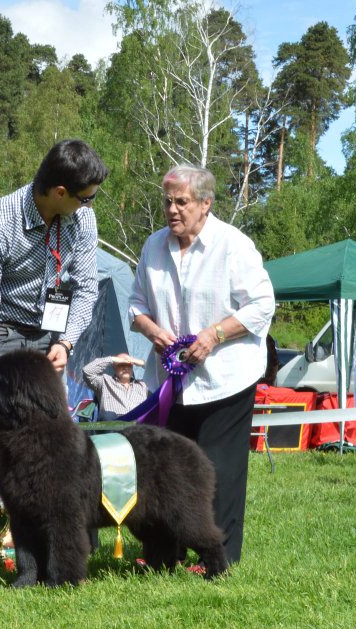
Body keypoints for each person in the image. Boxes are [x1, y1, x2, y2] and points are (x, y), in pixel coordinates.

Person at [0, 139, 108, 590]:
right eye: (85, 197)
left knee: (61, 450)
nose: (90, 205)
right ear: (59, 192)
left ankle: (64, 557)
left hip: (51, 336)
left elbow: (86, 287)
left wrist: (66, 341)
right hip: (2, 335)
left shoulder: (81, 219)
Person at [128, 164, 275, 566]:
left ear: (206, 204)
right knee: (164, 470)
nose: (172, 210)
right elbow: (136, 305)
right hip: (170, 384)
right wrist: (152, 331)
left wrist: (215, 334)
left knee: (217, 470)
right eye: (167, 201)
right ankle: (164, 555)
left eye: (182, 202)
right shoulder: (153, 246)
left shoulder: (234, 245)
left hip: (226, 379)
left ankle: (217, 558)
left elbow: (263, 305)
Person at [82, 352, 149, 420]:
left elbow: (155, 373)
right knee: (108, 415)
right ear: (114, 367)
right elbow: (87, 371)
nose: (125, 368)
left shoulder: (142, 385)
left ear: (132, 366)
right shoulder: (104, 382)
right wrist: (112, 359)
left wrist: (140, 362)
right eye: (121, 364)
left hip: (139, 421)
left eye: (128, 365)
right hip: (114, 422)